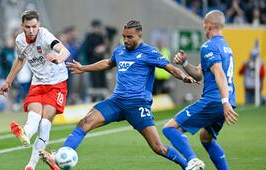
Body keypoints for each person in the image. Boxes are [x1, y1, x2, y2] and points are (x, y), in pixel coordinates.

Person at [40, 20, 198, 170]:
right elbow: (108, 63)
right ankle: (59, 157)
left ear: (139, 35)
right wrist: (84, 68)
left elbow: (170, 67)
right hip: (117, 101)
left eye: (130, 37)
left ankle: (187, 165)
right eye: (124, 36)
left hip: (138, 105)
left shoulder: (149, 52)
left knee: (158, 148)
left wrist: (183, 76)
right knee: (85, 122)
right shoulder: (120, 50)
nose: (126, 40)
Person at [162, 10, 238, 170]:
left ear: (208, 25)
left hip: (215, 101)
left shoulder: (208, 46)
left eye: (204, 23)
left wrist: (224, 102)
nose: (203, 26)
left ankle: (192, 161)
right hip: (227, 100)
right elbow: (198, 75)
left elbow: (220, 74)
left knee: (169, 128)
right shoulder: (226, 47)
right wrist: (184, 64)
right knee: (206, 138)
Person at [0, 10, 70, 170]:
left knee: (44, 124)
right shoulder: (19, 40)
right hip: (37, 83)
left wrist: (59, 58)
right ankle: (26, 135)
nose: (31, 30)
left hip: (56, 83)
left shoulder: (45, 36)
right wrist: (8, 81)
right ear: (22, 26)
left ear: (39, 25)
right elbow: (20, 60)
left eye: (34, 26)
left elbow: (65, 51)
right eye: (28, 27)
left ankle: (31, 164)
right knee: (34, 115)